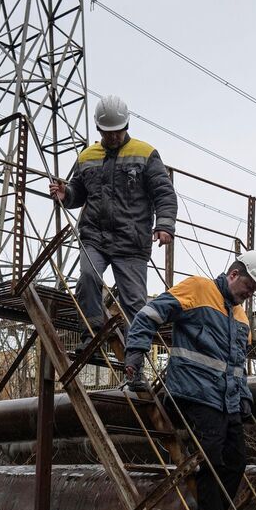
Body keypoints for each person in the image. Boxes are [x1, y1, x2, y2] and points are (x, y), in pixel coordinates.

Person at [123, 251, 256, 510]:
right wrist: (135, 355)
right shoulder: (198, 289)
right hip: (192, 394)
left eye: (254, 291)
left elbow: (237, 368)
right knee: (212, 460)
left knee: (237, 462)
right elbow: (149, 314)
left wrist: (244, 398)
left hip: (227, 402)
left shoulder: (242, 319)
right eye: (249, 286)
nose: (250, 294)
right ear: (234, 274)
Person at [49, 95, 178, 346]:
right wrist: (67, 195)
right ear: (99, 129)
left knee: (134, 302)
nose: (113, 137)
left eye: (118, 132)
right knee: (87, 278)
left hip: (131, 242)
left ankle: (135, 359)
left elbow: (164, 193)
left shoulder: (145, 154)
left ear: (126, 126)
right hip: (94, 236)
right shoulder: (87, 156)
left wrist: (164, 225)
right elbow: (78, 190)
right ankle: (92, 335)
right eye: (108, 133)